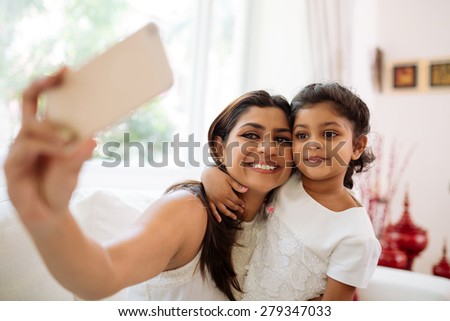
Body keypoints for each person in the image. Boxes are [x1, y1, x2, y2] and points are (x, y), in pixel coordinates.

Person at [3, 68, 293, 300]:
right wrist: (48, 215)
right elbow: (101, 276)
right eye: (251, 136)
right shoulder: (189, 210)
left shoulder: (284, 216)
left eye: (282, 139)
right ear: (219, 147)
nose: (268, 149)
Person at [202, 82, 382, 300]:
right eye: (302, 135)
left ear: (357, 146)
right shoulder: (286, 180)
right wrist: (210, 176)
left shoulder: (357, 237)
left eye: (329, 134)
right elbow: (241, 169)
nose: (313, 144)